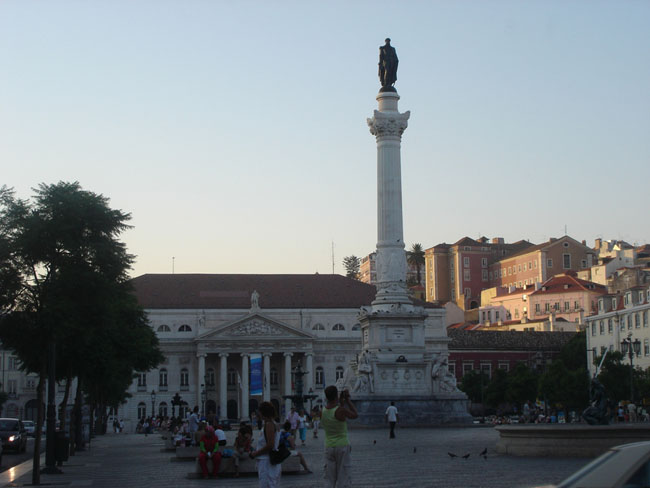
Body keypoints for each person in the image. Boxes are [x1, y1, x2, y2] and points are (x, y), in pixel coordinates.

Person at [321, 385, 358, 488]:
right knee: (344, 477)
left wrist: (341, 401)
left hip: (328, 447)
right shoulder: (340, 410)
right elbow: (355, 414)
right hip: (342, 446)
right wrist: (348, 400)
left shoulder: (323, 411)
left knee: (329, 478)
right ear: (335, 396)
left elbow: (336, 410)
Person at [250, 401, 282, 488]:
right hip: (269, 461)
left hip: (267, 462)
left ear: (263, 412)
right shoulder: (273, 424)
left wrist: (255, 453)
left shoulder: (269, 425)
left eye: (259, 412)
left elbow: (270, 445)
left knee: (268, 485)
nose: (258, 414)